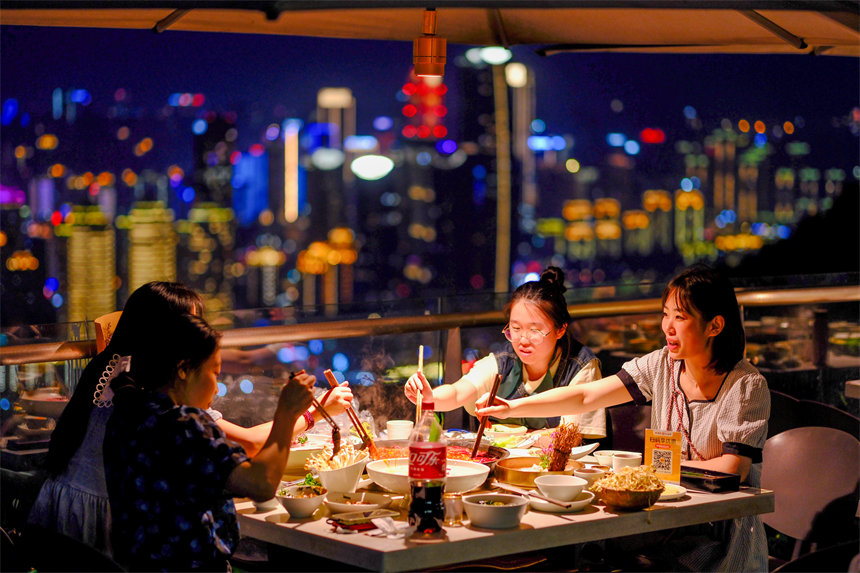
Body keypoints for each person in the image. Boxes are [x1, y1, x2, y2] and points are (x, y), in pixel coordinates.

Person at [476, 264, 770, 572]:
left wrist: (650, 472)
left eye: (680, 317)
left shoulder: (746, 384)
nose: (667, 327)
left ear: (714, 325)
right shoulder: (661, 364)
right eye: (665, 314)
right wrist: (511, 408)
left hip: (719, 537)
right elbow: (585, 396)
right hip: (664, 521)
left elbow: (732, 468)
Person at [29, 281, 351, 557]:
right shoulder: (171, 419)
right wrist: (303, 412)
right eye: (194, 327)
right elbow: (257, 475)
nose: (201, 334)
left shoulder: (123, 381)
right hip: (101, 526)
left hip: (76, 521)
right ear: (176, 352)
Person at [103, 313, 314, 571]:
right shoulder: (185, 426)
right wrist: (286, 414)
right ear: (183, 370)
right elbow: (262, 484)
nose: (216, 388)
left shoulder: (127, 413)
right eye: (215, 373)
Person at [405, 266, 605, 437]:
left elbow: (574, 438)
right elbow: (459, 391)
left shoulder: (581, 366)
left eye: (535, 330)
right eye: (515, 329)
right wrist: (430, 398)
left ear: (560, 330)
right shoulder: (505, 359)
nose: (523, 341)